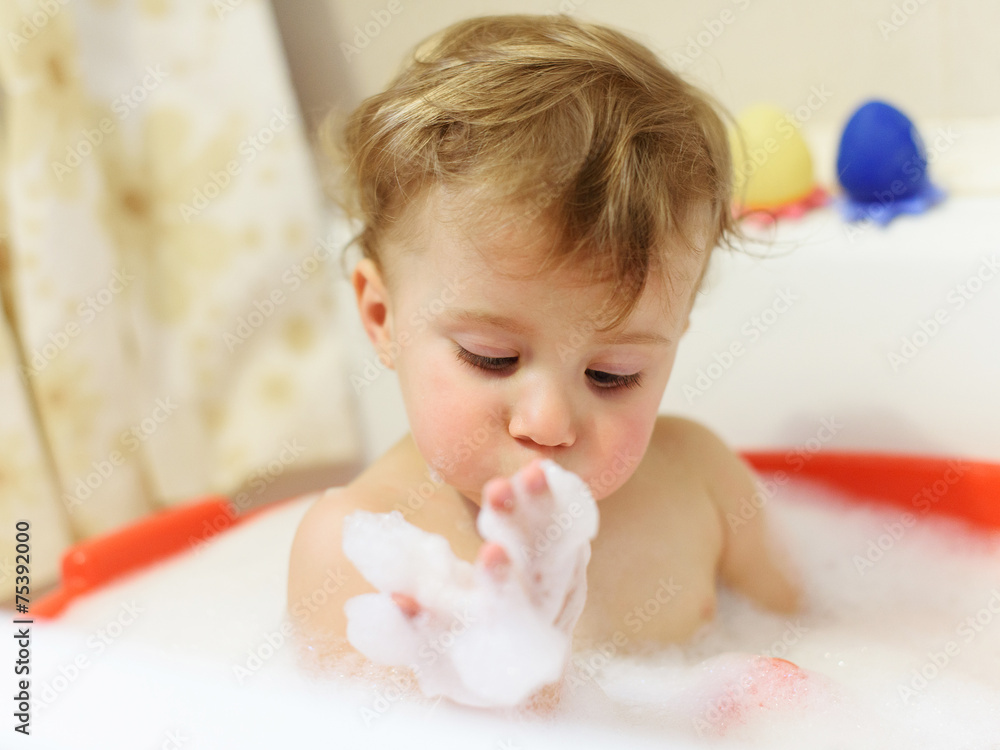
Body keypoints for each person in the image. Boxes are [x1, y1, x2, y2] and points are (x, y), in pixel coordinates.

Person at [288, 13, 801, 700]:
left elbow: (813, 630)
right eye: (492, 358)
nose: (550, 422)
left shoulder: (702, 482)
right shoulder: (362, 550)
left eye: (613, 374)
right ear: (383, 319)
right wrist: (520, 677)